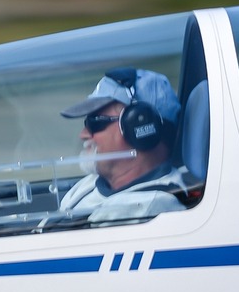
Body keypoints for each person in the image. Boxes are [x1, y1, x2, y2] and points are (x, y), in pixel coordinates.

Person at [58, 67, 190, 222]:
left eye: (96, 123)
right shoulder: (87, 186)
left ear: (140, 127)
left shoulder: (150, 207)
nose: (83, 134)